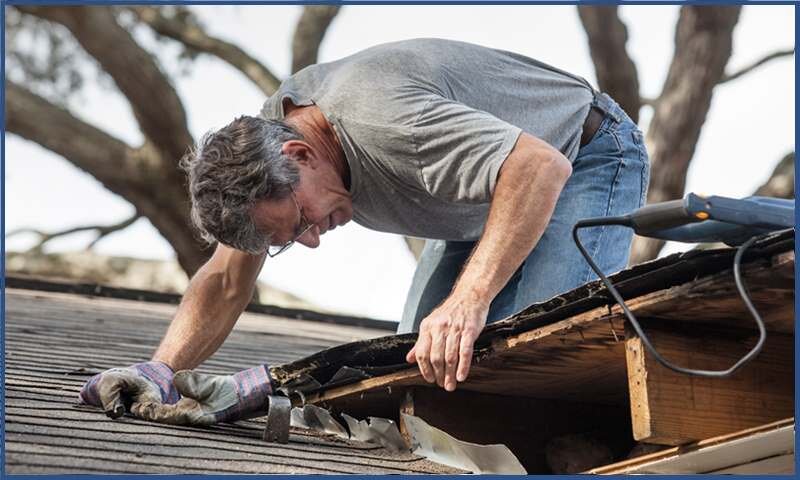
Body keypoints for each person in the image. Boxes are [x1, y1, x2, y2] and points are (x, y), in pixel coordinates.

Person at [78, 38, 649, 425]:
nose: (312, 239)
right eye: (288, 239)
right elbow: (227, 280)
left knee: (544, 357)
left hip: (583, 155)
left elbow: (537, 168)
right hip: (478, 199)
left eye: (301, 222)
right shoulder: (261, 154)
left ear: (301, 154)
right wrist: (161, 371)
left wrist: (469, 300)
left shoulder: (386, 121)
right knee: (419, 382)